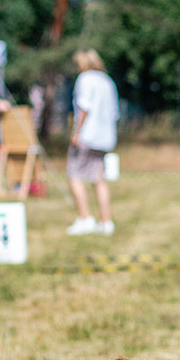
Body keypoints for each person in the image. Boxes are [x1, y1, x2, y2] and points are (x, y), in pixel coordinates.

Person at [65, 48, 119, 236]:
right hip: (106, 137)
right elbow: (115, 113)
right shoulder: (107, 81)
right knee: (99, 179)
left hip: (88, 135)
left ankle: (85, 218)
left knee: (75, 175)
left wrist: (76, 132)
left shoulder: (86, 79)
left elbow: (84, 108)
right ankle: (106, 221)